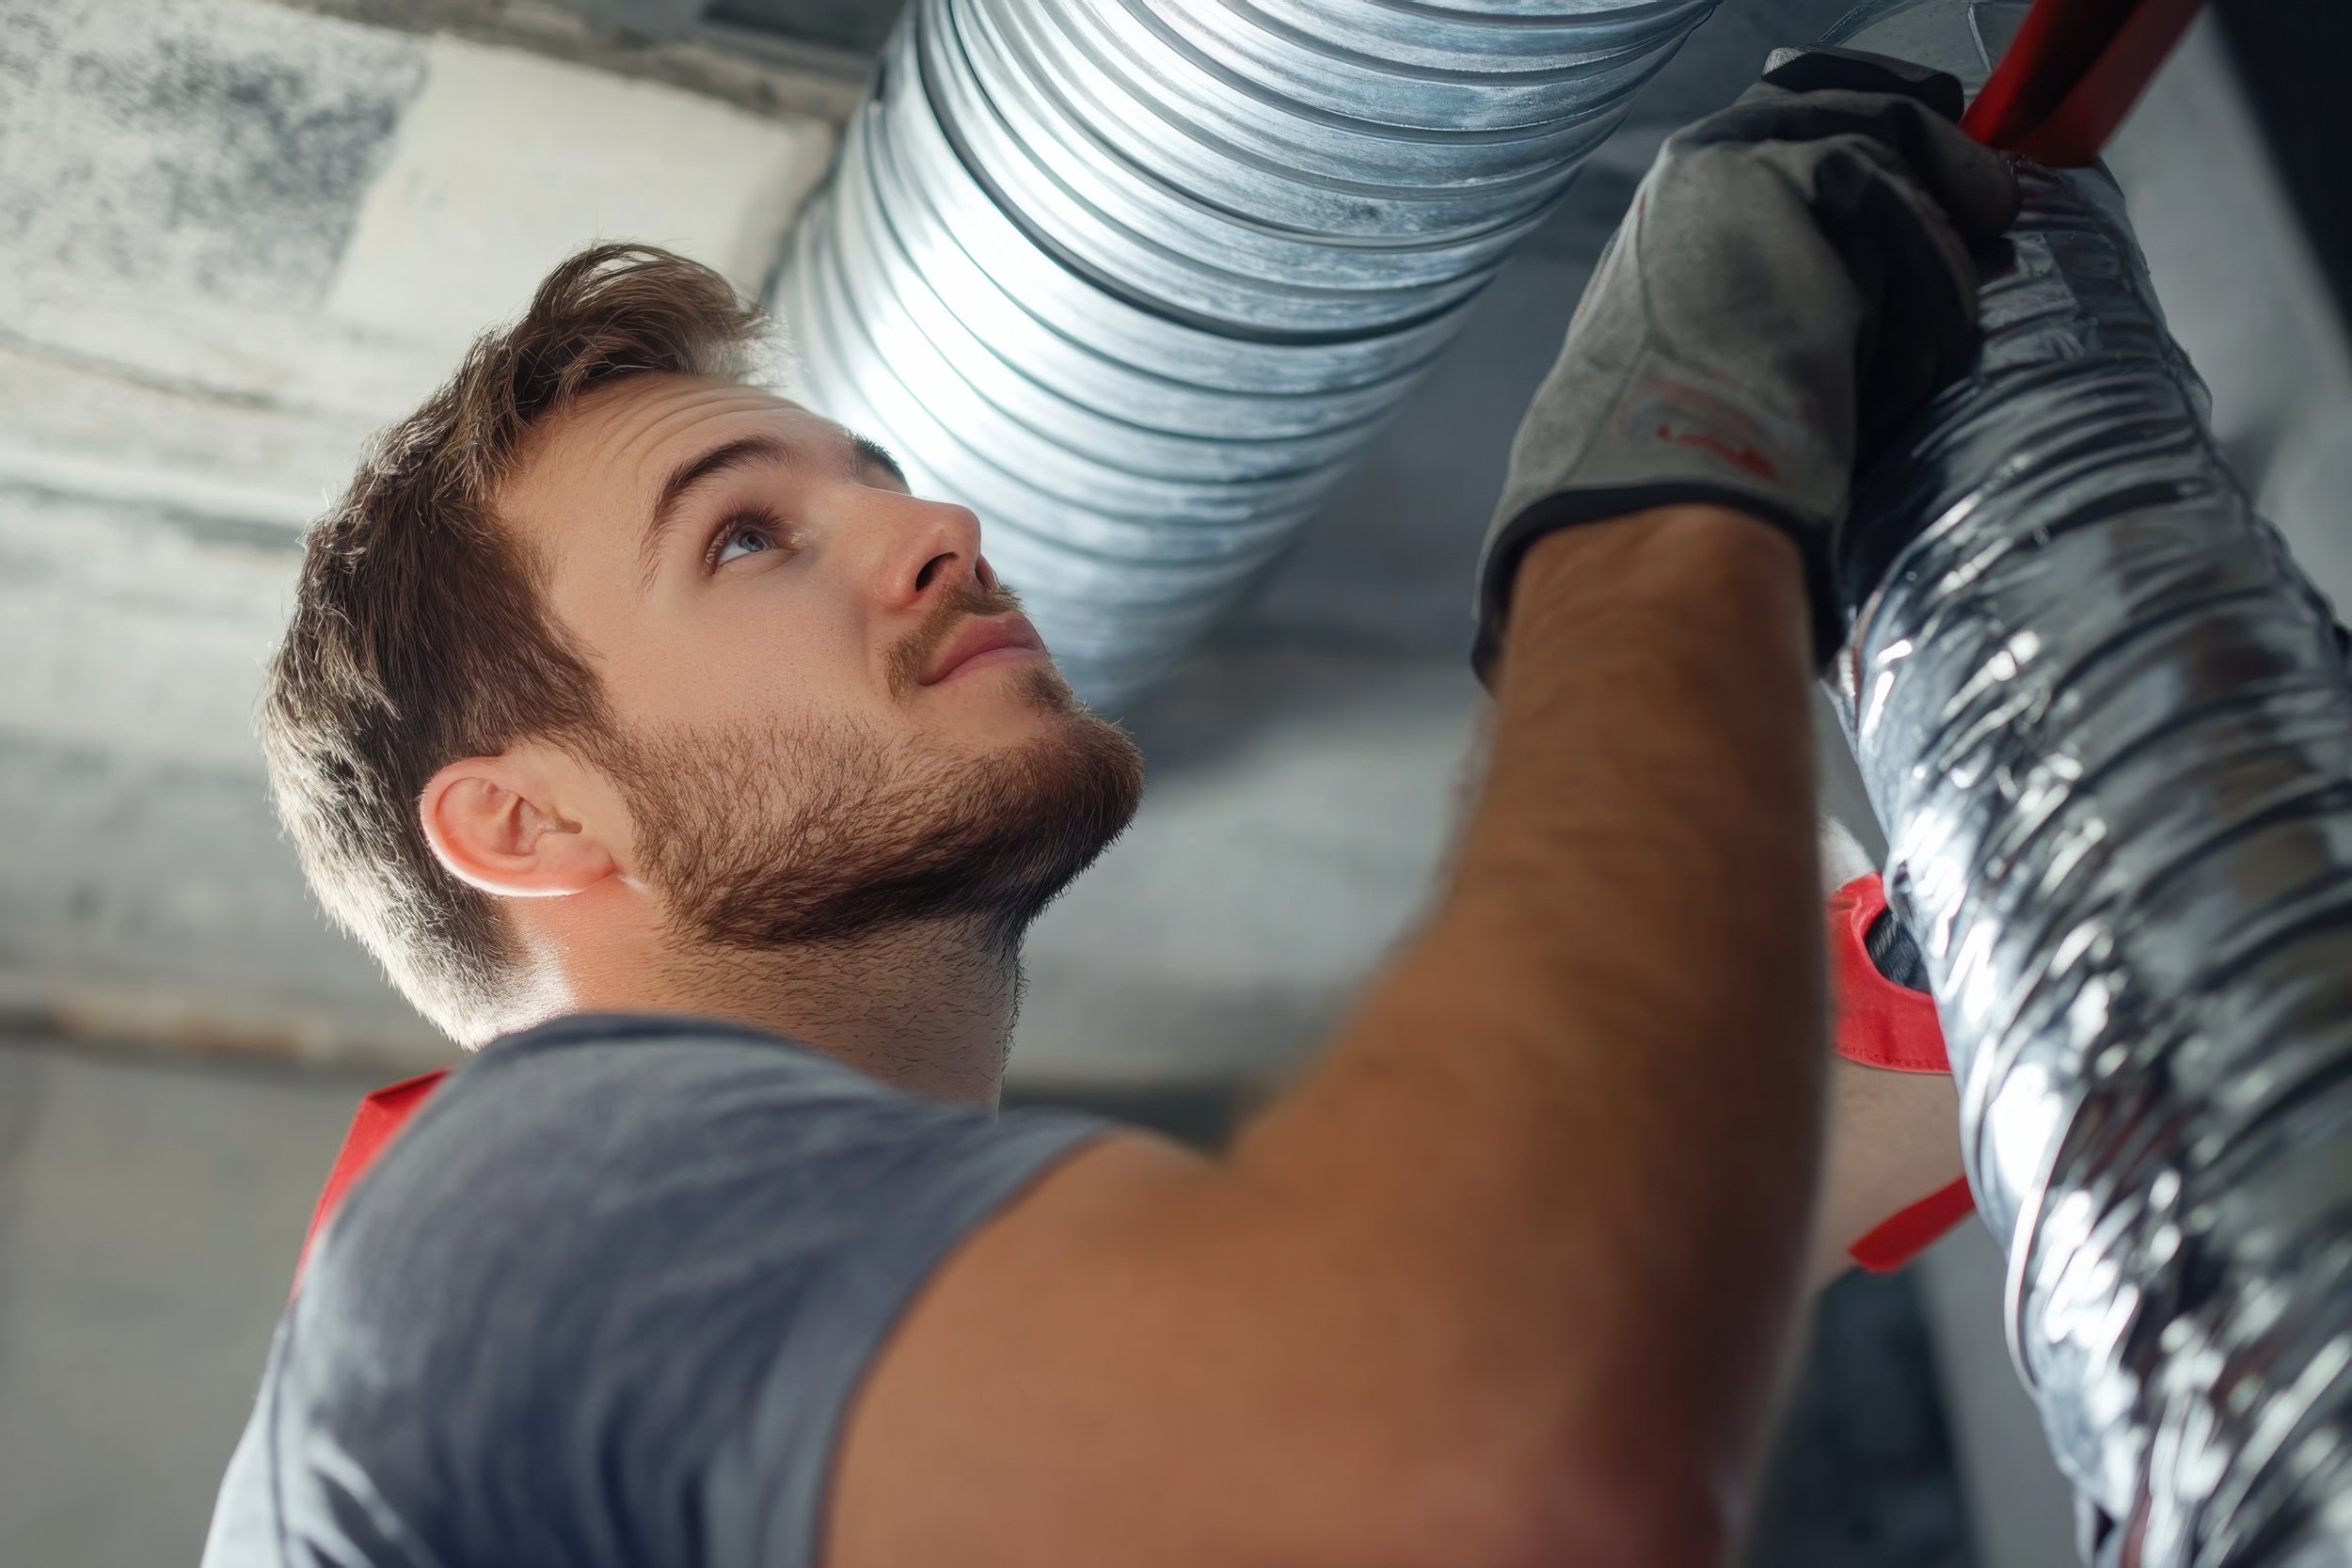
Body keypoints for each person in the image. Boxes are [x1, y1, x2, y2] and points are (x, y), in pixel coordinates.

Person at [203, 48, 2017, 1568]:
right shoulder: (499, 1237)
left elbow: (1491, 1340)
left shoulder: (644, 1369)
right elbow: (1472, 1450)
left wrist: (1961, 972)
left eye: (883, 487)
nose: (940, 532)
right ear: (526, 827)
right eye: (742, 536)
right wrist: (1653, 485)